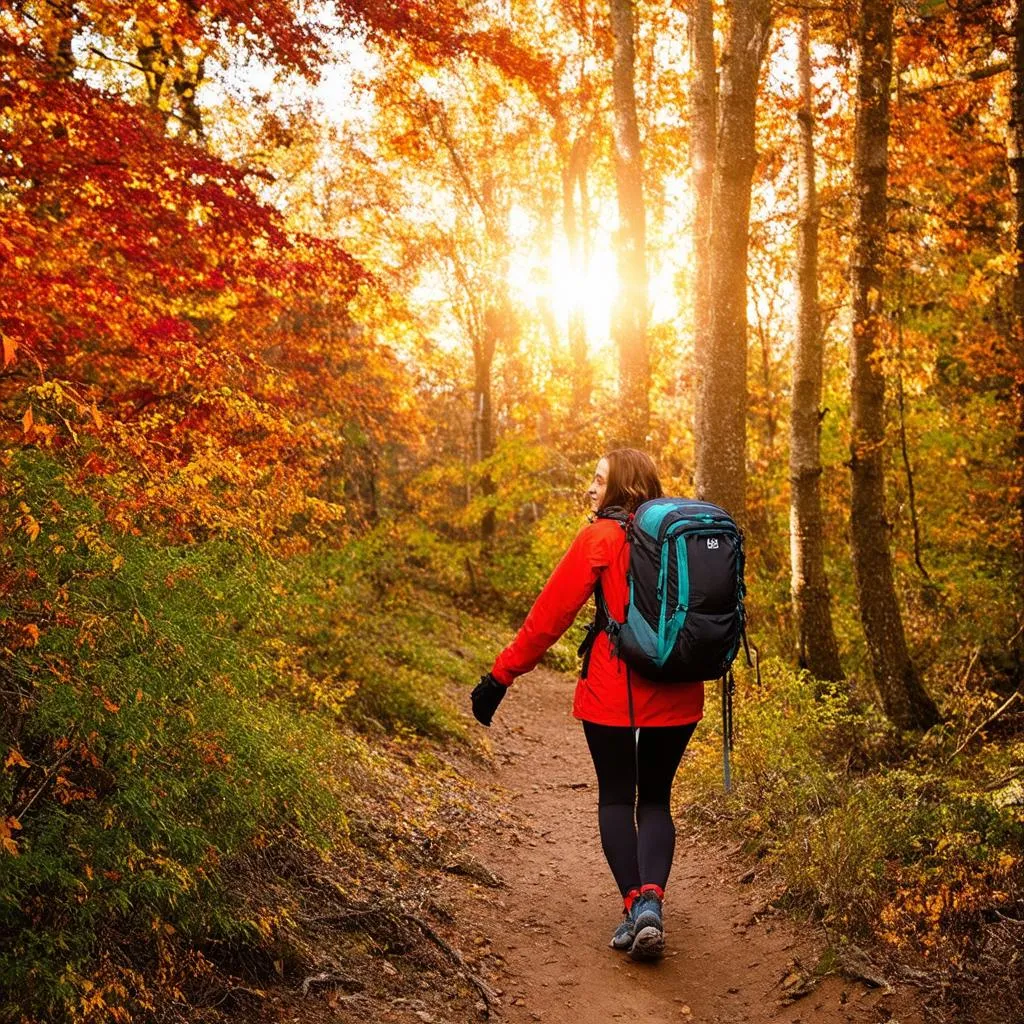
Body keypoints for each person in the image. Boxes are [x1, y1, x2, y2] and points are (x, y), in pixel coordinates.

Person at [471, 449, 703, 962]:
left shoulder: (599, 537)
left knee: (619, 797)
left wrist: (500, 675)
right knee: (658, 798)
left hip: (612, 688)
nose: (591, 488)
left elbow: (548, 617)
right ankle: (653, 904)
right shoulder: (678, 539)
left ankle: (634, 905)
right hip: (680, 687)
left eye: (599, 479)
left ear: (619, 486)